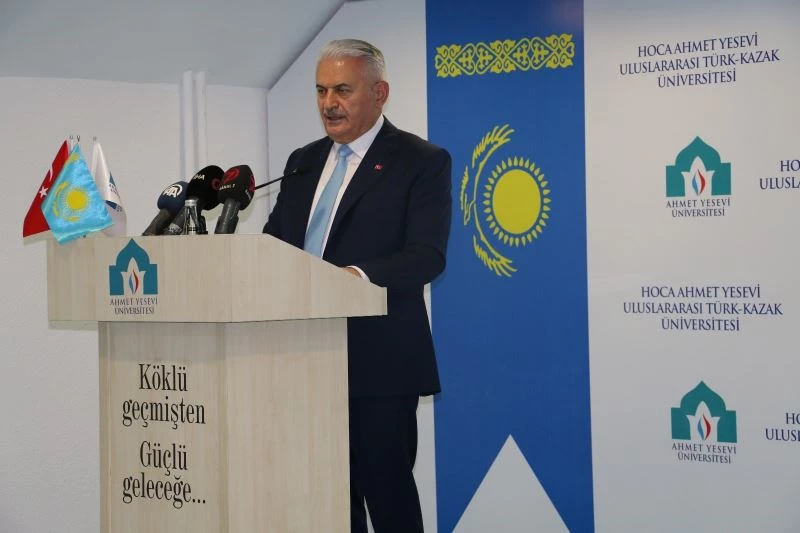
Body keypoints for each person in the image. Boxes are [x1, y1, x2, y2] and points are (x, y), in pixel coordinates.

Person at [263, 39, 452, 533]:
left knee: (389, 503)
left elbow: (426, 255)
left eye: (342, 90)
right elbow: (274, 243)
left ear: (379, 93)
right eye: (321, 90)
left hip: (378, 363)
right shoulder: (303, 161)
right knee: (326, 504)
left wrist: (355, 277)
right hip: (304, 360)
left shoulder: (420, 160)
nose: (329, 103)